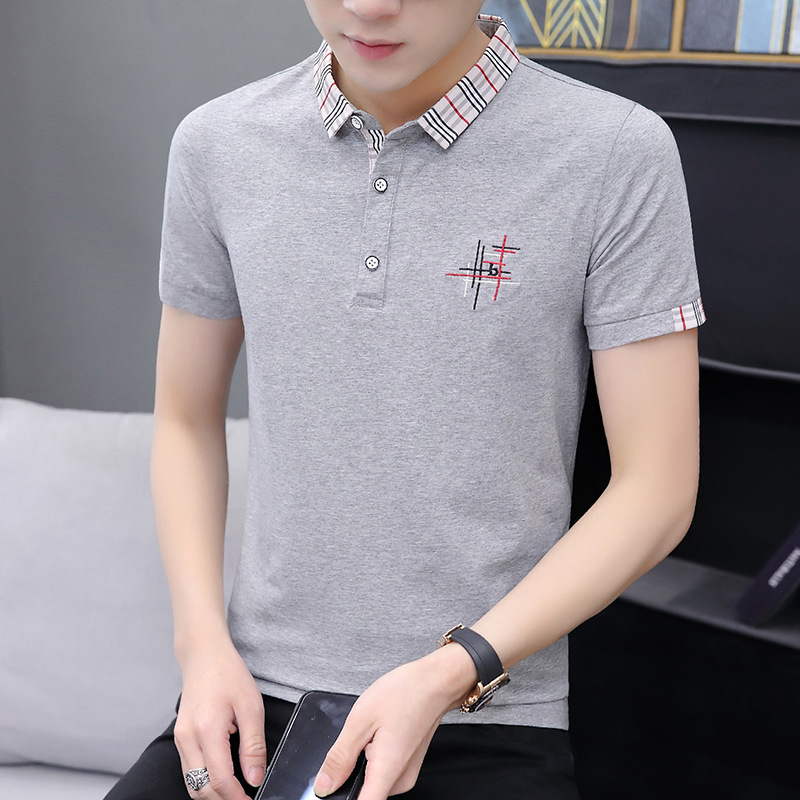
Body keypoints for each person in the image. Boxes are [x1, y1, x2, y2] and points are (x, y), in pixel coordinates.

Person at [106, 2, 705, 799]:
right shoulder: (218, 145)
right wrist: (202, 649)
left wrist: (457, 668)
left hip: (485, 711)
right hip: (255, 706)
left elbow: (657, 488)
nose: (369, 7)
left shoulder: (615, 152)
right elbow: (185, 420)